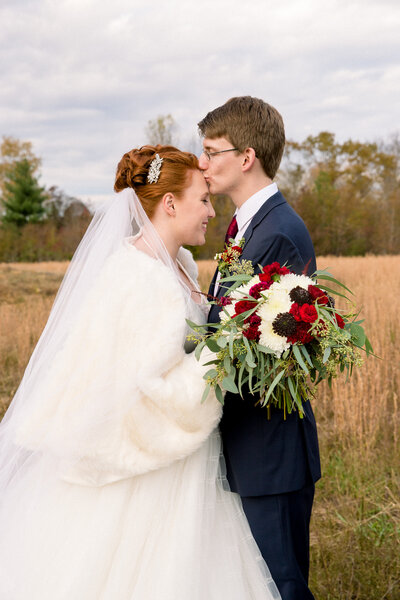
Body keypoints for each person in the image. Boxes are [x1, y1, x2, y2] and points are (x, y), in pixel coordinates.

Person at [0, 144, 281, 599]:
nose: (212, 211)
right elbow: (154, 387)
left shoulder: (176, 264)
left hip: (178, 455)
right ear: (169, 203)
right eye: (203, 199)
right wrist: (225, 349)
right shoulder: (144, 279)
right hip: (154, 467)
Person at [198, 97, 321, 600]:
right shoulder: (247, 226)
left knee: (280, 586)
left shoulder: (278, 234)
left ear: (245, 157)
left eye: (210, 152)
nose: (201, 163)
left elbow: (266, 355)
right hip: (248, 447)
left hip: (269, 451)